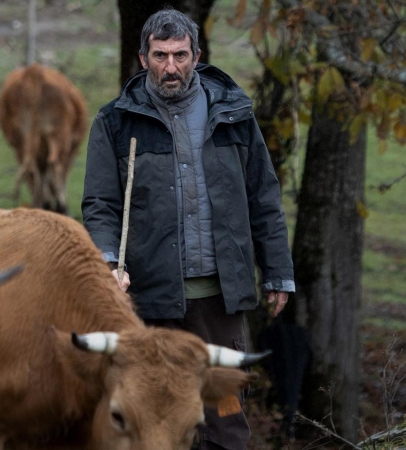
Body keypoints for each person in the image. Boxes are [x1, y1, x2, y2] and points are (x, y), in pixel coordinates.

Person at [82, 7, 294, 450]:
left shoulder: (233, 113)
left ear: (196, 55)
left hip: (221, 299)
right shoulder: (115, 123)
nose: (170, 67)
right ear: (143, 58)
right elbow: (100, 205)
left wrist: (277, 270)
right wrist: (107, 262)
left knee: (225, 422)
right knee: (155, 419)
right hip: (151, 300)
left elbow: (264, 197)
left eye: (180, 55)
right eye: (160, 56)